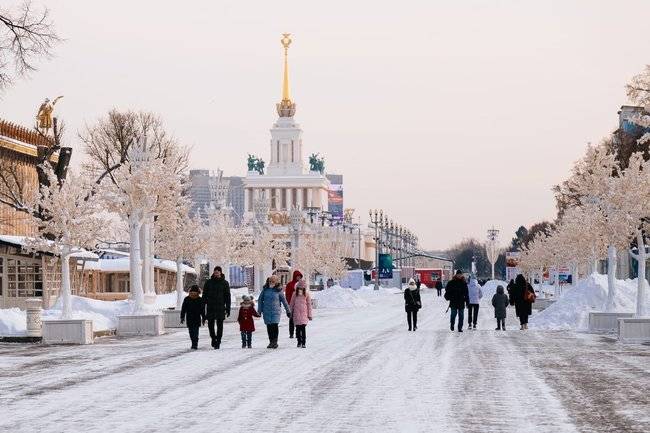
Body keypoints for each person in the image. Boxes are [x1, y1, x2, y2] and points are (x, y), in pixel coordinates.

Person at [258, 274, 291, 349]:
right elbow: (260, 300)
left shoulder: (279, 290)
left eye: (273, 281)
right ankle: (271, 342)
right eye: (270, 281)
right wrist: (259, 311)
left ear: (276, 282)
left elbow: (284, 301)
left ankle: (275, 342)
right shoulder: (265, 290)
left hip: (275, 311)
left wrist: (288, 311)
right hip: (266, 311)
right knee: (269, 327)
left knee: (274, 326)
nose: (271, 282)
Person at [202, 266, 231, 349]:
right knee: (210, 325)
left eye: (218, 272)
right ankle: (213, 338)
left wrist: (228, 308)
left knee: (220, 325)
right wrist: (203, 305)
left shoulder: (225, 283)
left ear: (221, 273)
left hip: (220, 307)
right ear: (213, 273)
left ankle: (218, 340)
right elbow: (204, 295)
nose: (216, 273)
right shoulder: (208, 282)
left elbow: (227, 296)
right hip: (210, 306)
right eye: (215, 272)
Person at [180, 285, 205, 350]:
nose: (193, 293)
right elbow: (183, 309)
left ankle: (194, 343)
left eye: (195, 291)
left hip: (193, 317)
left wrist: (182, 317)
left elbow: (202, 310)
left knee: (193, 331)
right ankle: (194, 343)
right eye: (192, 291)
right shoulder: (187, 299)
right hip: (193, 318)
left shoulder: (199, 299)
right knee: (193, 331)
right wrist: (182, 317)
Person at [289, 281, 313, 348]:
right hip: (296, 314)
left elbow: (309, 305)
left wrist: (310, 315)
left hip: (304, 314)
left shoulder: (306, 294)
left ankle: (304, 343)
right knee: (298, 329)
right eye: (300, 288)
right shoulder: (294, 294)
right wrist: (290, 312)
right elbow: (291, 304)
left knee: (303, 329)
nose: (301, 289)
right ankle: (299, 342)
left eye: (302, 288)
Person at [285, 270, 303, 339]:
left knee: (299, 319)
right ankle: (291, 333)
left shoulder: (301, 284)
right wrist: (289, 303)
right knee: (291, 319)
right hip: (292, 304)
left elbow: (301, 295)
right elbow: (287, 294)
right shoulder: (290, 284)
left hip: (299, 304)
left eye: (299, 276)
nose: (298, 278)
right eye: (297, 276)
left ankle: (298, 333)